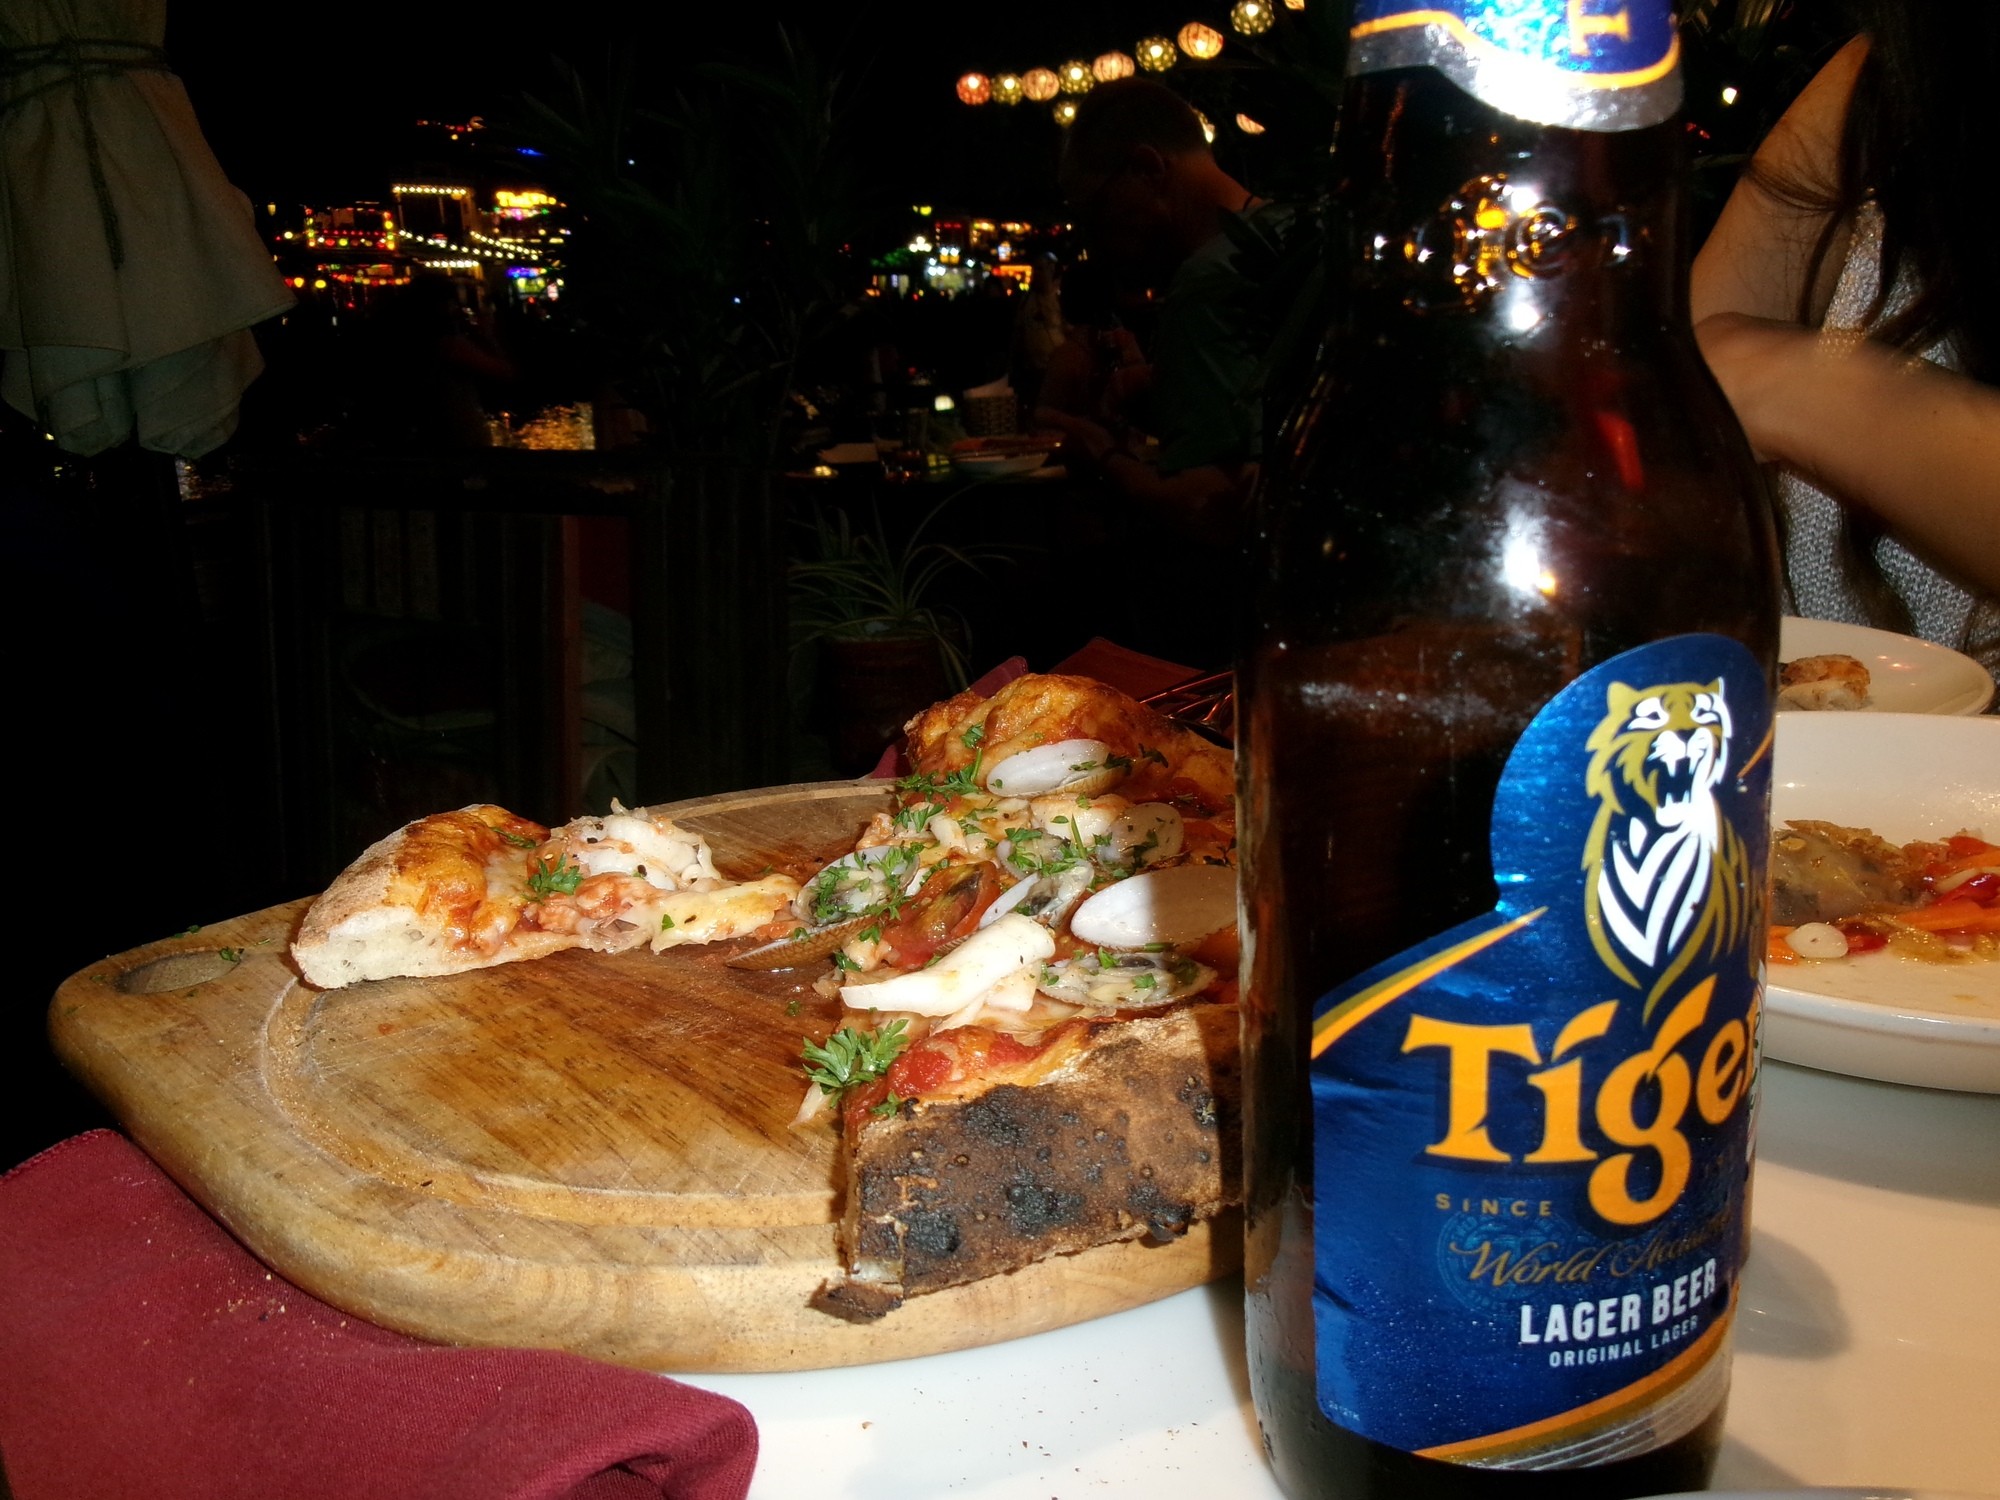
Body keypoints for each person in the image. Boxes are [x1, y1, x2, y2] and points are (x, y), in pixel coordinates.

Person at [1691, 2, 2000, 676]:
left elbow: (1731, 372)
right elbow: (1654, 441)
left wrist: (1803, 390)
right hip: (1819, 765)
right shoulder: (1887, 76)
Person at [1039, 77, 1288, 552]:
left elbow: (1212, 507)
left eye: (1093, 212)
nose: (1092, 244)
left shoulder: (1210, 281)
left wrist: (1103, 453)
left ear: (1147, 168)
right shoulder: (1293, 237)